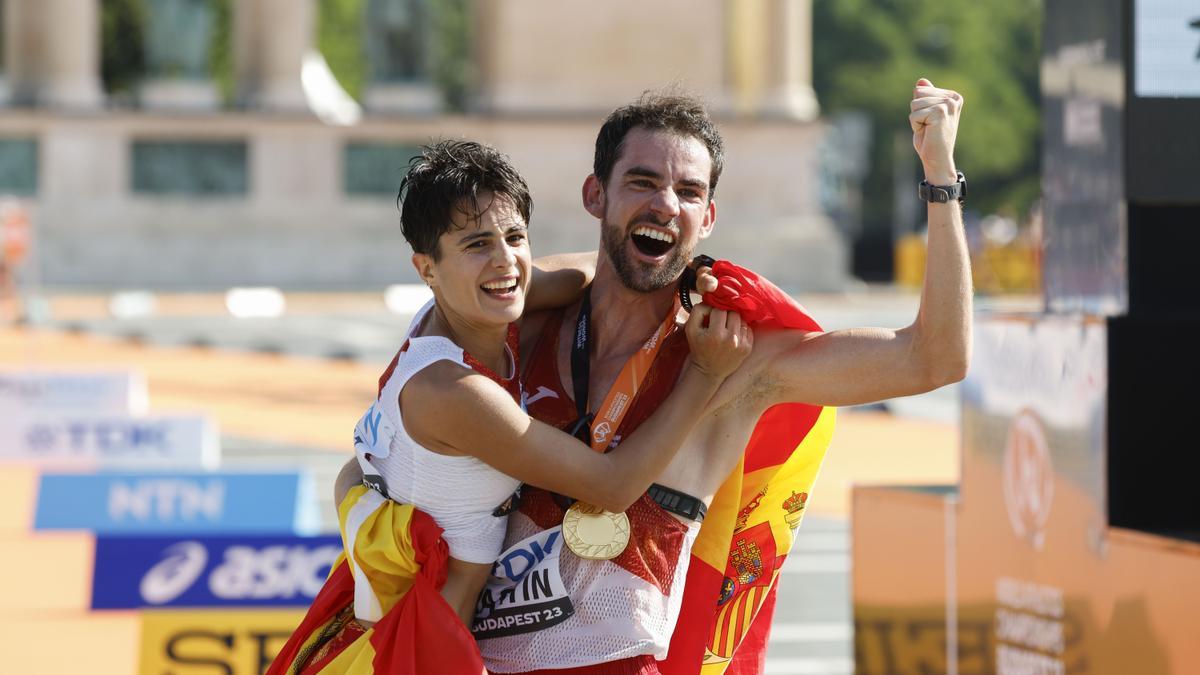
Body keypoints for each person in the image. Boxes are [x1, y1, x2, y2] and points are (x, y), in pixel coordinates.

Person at [334, 78, 969, 674]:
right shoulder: (519, 325)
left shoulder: (735, 357)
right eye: (642, 182)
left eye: (688, 192)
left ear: (708, 218)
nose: (665, 204)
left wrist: (941, 180)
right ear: (595, 196)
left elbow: (933, 358)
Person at [268, 140, 753, 675]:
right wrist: (705, 374)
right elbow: (612, 486)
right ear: (427, 268)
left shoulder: (462, 313)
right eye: (477, 244)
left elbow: (585, 274)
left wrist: (678, 267)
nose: (504, 261)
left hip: (418, 626)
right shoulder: (456, 392)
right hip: (417, 653)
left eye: (515, 237)